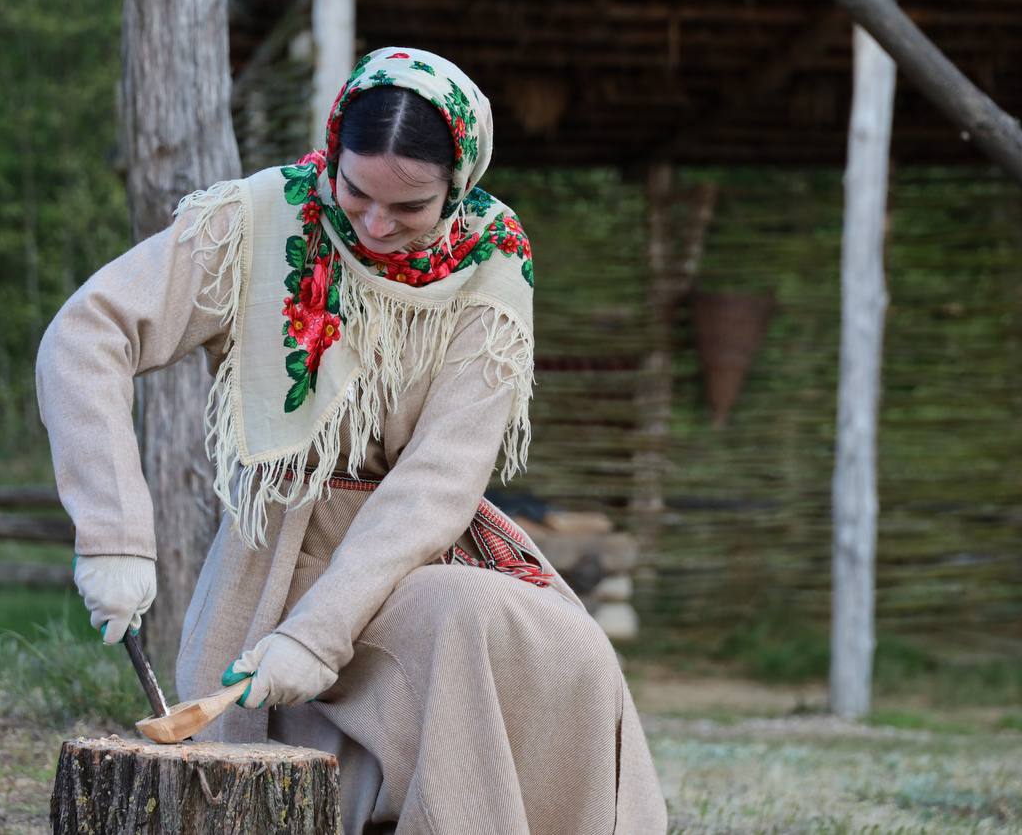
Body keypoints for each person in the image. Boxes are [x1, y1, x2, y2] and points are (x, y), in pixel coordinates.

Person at [36, 47, 667, 834]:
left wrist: (318, 634)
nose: (373, 224)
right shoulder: (258, 221)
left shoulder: (493, 259)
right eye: (357, 190)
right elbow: (86, 334)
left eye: (409, 209)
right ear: (334, 150)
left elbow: (440, 477)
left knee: (560, 649)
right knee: (420, 653)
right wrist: (113, 534)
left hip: (417, 548)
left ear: (459, 184)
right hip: (280, 561)